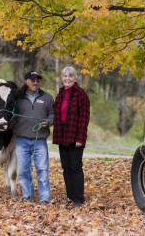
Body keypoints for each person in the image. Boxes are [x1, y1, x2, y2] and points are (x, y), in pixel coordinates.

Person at [13, 71, 54, 205]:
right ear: (26, 81)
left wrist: (48, 122)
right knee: (23, 170)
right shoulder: (17, 98)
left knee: (42, 169)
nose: (35, 83)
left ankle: (44, 199)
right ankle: (28, 196)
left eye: (37, 80)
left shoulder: (47, 97)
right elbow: (8, 113)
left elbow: (53, 114)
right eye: (32, 80)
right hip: (21, 140)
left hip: (40, 140)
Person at [52, 66, 90, 207]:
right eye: (65, 76)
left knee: (75, 167)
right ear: (62, 78)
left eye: (70, 76)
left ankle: (78, 199)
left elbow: (84, 118)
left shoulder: (81, 94)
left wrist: (81, 138)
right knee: (66, 168)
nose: (67, 79)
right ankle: (70, 196)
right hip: (62, 135)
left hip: (75, 136)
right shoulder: (60, 94)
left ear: (75, 79)